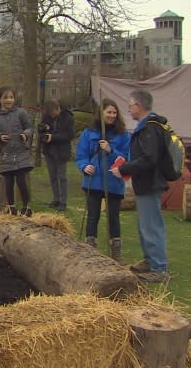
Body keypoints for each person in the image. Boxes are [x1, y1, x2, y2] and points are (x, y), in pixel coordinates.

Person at [112, 89, 170, 283]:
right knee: (144, 225)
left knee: (151, 225)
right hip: (145, 182)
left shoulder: (150, 128)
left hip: (150, 182)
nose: (128, 109)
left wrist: (125, 168)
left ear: (139, 106)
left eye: (130, 106)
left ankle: (159, 268)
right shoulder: (146, 127)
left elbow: (149, 158)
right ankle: (149, 260)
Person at [75, 98, 130, 261]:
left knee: (114, 216)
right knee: (93, 215)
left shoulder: (124, 135)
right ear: (101, 113)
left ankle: (115, 253)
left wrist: (110, 150)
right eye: (108, 112)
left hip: (113, 181)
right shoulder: (89, 133)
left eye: (114, 112)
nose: (112, 115)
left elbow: (126, 158)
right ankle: (90, 251)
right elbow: (81, 155)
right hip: (93, 180)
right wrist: (84, 166)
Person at [0, 86, 34, 217]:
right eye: (5, 97)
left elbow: (29, 127)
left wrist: (25, 134)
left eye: (11, 97)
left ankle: (27, 206)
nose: (9, 100)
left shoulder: (21, 113)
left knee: (21, 180)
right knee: (8, 181)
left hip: (21, 152)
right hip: (6, 153)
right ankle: (11, 206)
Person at [39, 99, 75, 211]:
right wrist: (44, 130)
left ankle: (63, 202)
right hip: (49, 150)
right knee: (52, 176)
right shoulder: (46, 117)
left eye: (57, 111)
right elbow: (40, 130)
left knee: (62, 177)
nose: (55, 113)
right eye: (53, 113)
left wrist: (53, 137)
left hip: (61, 151)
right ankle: (56, 199)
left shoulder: (67, 117)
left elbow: (69, 135)